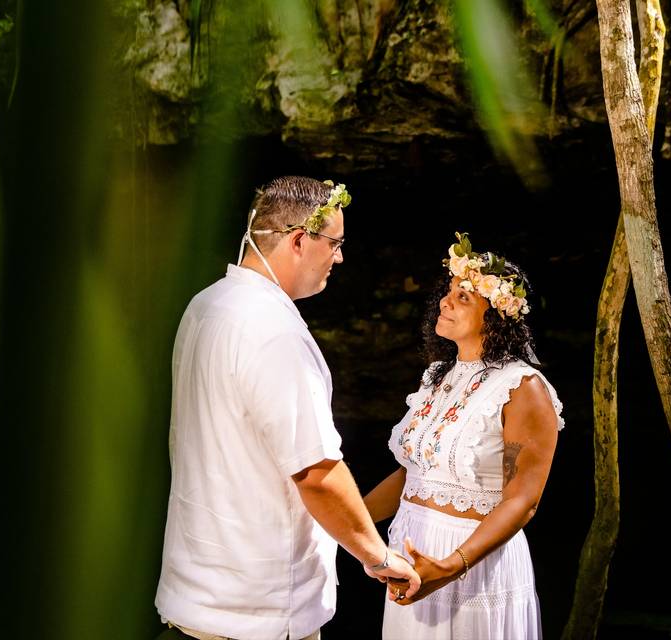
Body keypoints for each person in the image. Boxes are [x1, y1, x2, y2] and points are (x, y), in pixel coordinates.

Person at [154, 176, 420, 640]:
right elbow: (316, 473)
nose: (340, 257)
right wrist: (379, 556)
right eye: (335, 243)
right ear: (300, 240)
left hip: (196, 590)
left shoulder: (205, 305)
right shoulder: (273, 331)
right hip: (257, 608)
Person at [364, 232, 564, 639]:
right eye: (448, 292)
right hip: (410, 555)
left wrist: (451, 566)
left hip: (472, 565)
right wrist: (347, 525)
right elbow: (412, 476)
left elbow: (522, 500)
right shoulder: (438, 377)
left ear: (497, 314)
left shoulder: (523, 387)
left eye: (464, 297)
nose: (445, 302)